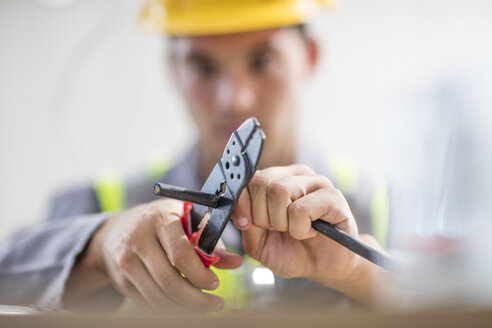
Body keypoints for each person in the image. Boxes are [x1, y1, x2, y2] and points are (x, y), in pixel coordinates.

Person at [0, 0, 394, 312]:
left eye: (262, 61)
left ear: (309, 56)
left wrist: (359, 273)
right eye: (203, 67)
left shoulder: (382, 206)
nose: (234, 98)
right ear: (174, 70)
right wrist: (98, 249)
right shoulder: (96, 204)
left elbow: (450, 305)